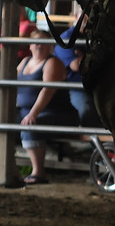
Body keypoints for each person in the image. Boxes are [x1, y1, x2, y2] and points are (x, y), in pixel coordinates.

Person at [17, 31, 79, 184]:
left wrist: (33, 114)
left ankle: (39, 173)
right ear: (30, 45)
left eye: (44, 42)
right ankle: (10, 168)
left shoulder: (53, 62)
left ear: (50, 46)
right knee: (4, 121)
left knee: (31, 125)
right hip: (26, 111)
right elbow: (11, 86)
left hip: (57, 113)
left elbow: (47, 90)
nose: (40, 45)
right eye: (36, 42)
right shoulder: (24, 61)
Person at [53, 11, 101, 127]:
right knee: (86, 109)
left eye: (91, 14)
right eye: (84, 14)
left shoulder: (95, 36)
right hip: (75, 86)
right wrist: (93, 58)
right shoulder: (67, 37)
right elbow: (76, 66)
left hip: (95, 84)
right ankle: (88, 139)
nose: (89, 17)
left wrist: (83, 58)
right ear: (75, 16)